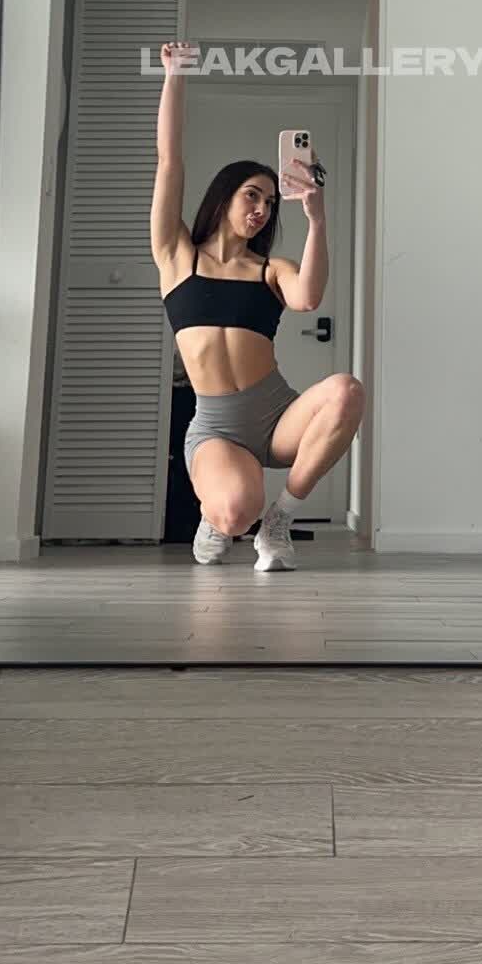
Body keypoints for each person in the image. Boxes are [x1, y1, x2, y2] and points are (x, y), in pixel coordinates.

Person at [150, 40, 365, 571]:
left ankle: (280, 520)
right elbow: (170, 160)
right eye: (253, 194)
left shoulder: (270, 269)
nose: (263, 209)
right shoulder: (177, 256)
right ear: (224, 196)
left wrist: (316, 218)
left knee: (347, 391)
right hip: (217, 427)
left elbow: (308, 297)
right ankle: (218, 518)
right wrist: (175, 76)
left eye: (270, 201)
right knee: (234, 511)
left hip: (277, 412)